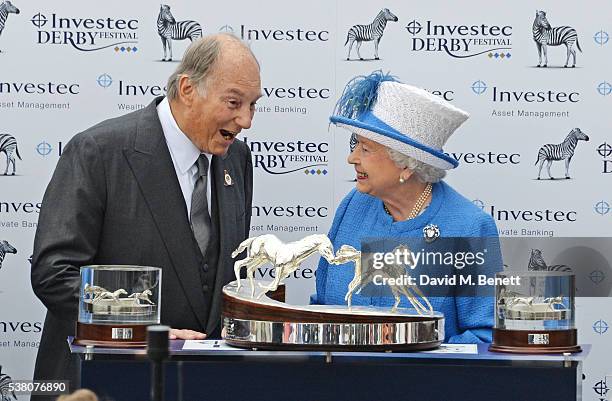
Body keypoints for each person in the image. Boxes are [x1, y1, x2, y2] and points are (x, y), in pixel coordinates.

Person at [30, 33, 261, 392]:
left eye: (252, 105)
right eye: (233, 102)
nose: (245, 120)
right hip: (105, 381)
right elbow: (54, 273)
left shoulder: (237, 159)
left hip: (199, 385)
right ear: (187, 90)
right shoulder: (98, 152)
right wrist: (147, 333)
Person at [313, 71, 500, 343]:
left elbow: (484, 336)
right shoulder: (353, 206)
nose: (351, 158)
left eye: (365, 149)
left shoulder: (469, 227)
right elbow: (321, 307)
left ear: (405, 163)